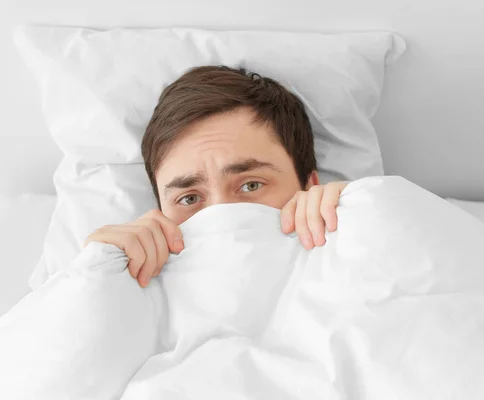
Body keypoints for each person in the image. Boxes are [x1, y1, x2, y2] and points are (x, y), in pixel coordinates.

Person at [85, 66, 349, 288]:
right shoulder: (126, 284)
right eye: (189, 199)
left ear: (309, 185)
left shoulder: (352, 253)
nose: (222, 214)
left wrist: (359, 215)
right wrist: (94, 275)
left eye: (251, 185)